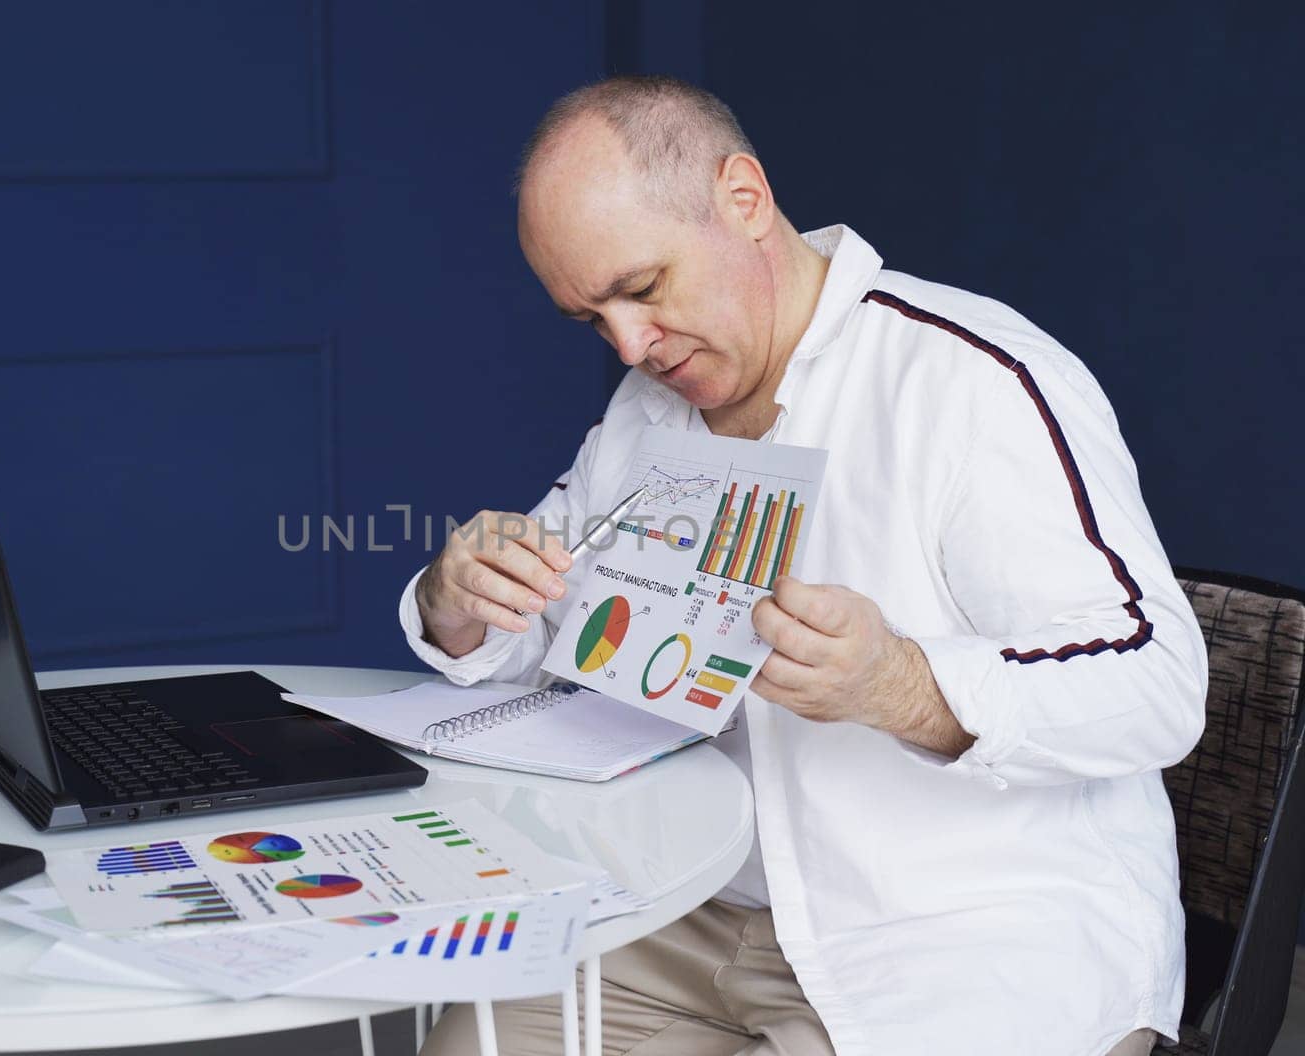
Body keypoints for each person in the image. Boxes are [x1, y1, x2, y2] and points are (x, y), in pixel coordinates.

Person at [400, 76, 1206, 1056]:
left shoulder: (972, 384)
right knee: (467, 1043)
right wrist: (458, 603)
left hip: (959, 929)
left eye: (642, 290)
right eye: (590, 320)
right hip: (691, 903)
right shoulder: (642, 419)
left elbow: (1158, 687)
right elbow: (539, 636)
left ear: (743, 200)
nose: (628, 346)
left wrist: (904, 685)